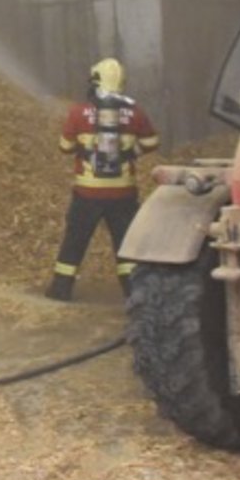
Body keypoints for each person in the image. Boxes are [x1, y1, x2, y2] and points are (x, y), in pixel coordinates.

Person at [45, 57, 159, 302]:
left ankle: (61, 289)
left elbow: (64, 147)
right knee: (125, 243)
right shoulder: (135, 112)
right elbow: (152, 142)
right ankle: (132, 292)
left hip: (88, 192)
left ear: (95, 81)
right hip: (123, 193)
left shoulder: (78, 112)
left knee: (75, 240)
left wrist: (85, 147)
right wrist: (131, 152)